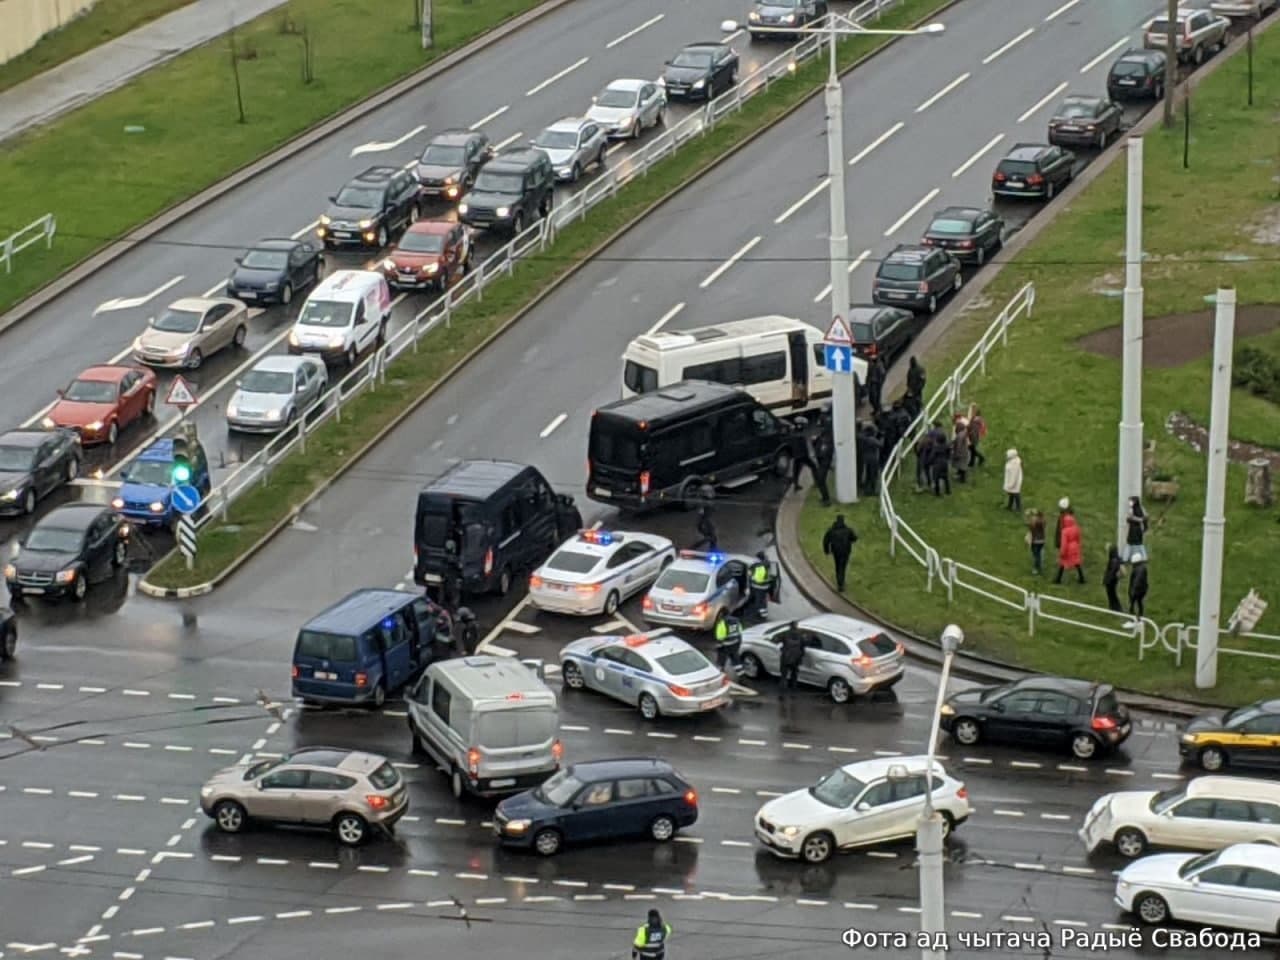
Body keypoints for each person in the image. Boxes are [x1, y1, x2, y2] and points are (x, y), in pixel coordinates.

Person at [822, 514, 857, 592]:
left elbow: (825, 541)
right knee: (843, 567)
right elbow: (854, 538)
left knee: (838, 567)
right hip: (845, 552)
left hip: (836, 552)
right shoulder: (848, 530)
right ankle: (841, 584)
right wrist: (849, 540)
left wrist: (826, 550)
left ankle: (840, 583)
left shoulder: (831, 530)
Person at [1055, 506, 1085, 584]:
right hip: (1075, 547)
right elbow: (1079, 538)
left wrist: (1062, 553)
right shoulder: (1076, 528)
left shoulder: (1064, 531)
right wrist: (1078, 546)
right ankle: (1082, 578)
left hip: (1068, 548)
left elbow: (1064, 544)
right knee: (1077, 563)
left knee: (1062, 563)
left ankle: (1058, 579)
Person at [779, 620, 809, 693]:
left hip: (786, 657)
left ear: (790, 626)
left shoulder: (785, 634)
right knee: (794, 674)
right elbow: (804, 645)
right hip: (796, 658)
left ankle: (782, 690)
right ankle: (793, 689)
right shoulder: (800, 635)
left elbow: (780, 640)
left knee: (784, 675)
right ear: (796, 626)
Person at [1124, 496, 1148, 561]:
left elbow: (1129, 519)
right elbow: (1145, 518)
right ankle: (1145, 557)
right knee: (1139, 543)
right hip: (1138, 529)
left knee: (1129, 543)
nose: (1130, 503)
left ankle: (1125, 558)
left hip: (1134, 529)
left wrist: (1134, 519)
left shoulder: (1132, 510)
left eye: (1131, 501)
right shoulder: (1142, 509)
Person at [748, 552, 772, 619]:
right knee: (763, 599)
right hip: (766, 586)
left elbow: (749, 575)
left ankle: (759, 615)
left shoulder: (755, 566)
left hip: (757, 586)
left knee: (758, 601)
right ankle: (764, 613)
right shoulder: (767, 564)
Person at [929, 432, 951, 496]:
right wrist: (947, 458)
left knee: (936, 478)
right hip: (944, 463)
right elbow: (949, 454)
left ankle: (937, 492)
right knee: (945, 477)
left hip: (937, 464)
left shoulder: (936, 447)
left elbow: (932, 456)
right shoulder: (947, 446)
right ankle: (948, 491)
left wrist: (930, 462)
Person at [1102, 545, 1123, 612]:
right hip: (1113, 580)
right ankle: (1113, 607)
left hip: (1110, 581)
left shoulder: (1113, 561)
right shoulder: (1117, 559)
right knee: (1112, 594)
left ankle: (1116, 607)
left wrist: (1106, 580)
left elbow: (1111, 572)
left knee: (1111, 594)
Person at [1129, 550, 1149, 617]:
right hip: (1143, 589)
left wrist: (1133, 590)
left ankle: (1133, 614)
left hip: (1137, 589)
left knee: (1133, 601)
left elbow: (1137, 580)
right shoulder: (1143, 568)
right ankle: (1140, 614)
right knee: (1139, 601)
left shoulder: (1137, 569)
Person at [1026, 508, 1046, 576]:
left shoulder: (1034, 522)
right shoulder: (1043, 521)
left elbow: (1030, 526)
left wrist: (1028, 516)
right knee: (1038, 554)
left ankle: (1036, 568)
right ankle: (1039, 566)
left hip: (1035, 541)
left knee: (1036, 555)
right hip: (1042, 541)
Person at [950, 420, 970, 484]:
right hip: (964, 452)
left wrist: (956, 453)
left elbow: (959, 445)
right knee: (962, 465)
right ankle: (960, 476)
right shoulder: (963, 433)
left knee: (962, 466)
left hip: (961, 453)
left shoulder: (960, 435)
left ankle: (962, 479)